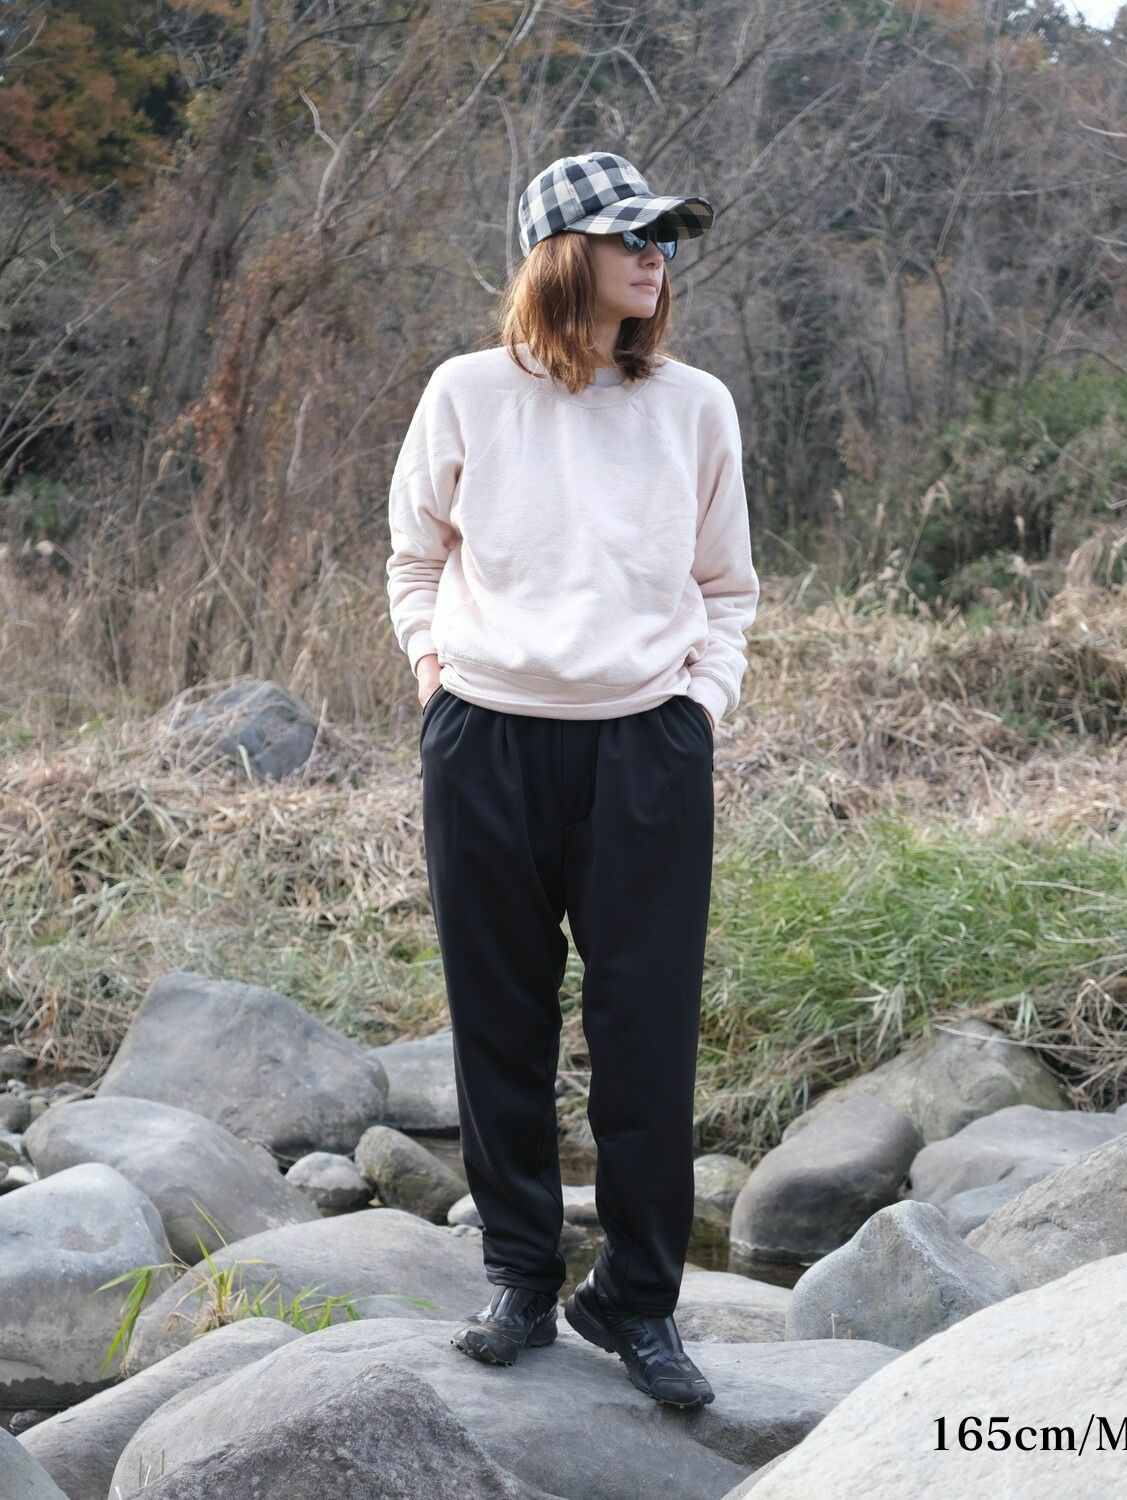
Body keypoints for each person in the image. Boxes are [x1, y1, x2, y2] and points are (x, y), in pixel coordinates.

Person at [384, 151, 759, 1410]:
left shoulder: (695, 405)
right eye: (630, 236)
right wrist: (434, 675)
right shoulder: (466, 392)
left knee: (646, 1033)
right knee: (500, 1025)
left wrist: (698, 711)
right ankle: (520, 1280)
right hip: (484, 741)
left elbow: (727, 587)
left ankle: (638, 1302)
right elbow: (413, 556)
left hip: (646, 747)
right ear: (562, 258)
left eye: (665, 237)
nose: (657, 255)